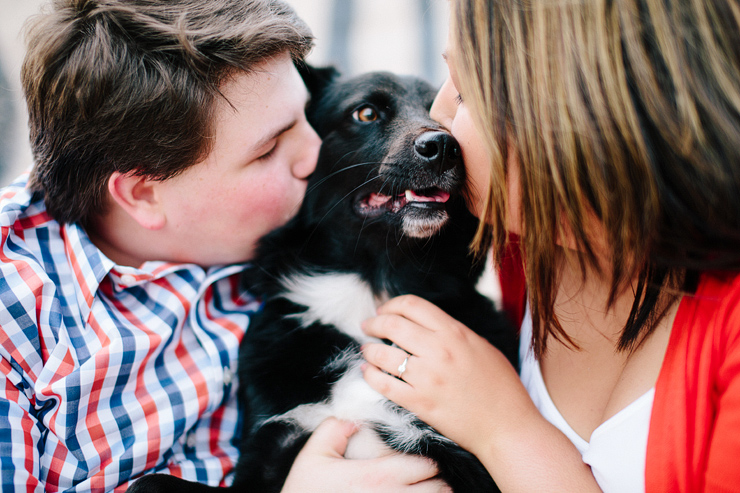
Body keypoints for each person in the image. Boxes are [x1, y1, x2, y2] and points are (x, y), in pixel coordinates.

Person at [0, 1, 448, 491]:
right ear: (145, 194)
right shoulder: (17, 315)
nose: (313, 153)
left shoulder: (279, 234)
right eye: (268, 149)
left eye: (305, 116)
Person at [361, 0, 740, 491]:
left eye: (467, 91)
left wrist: (506, 431)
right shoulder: (527, 247)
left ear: (571, 117)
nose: (437, 113)